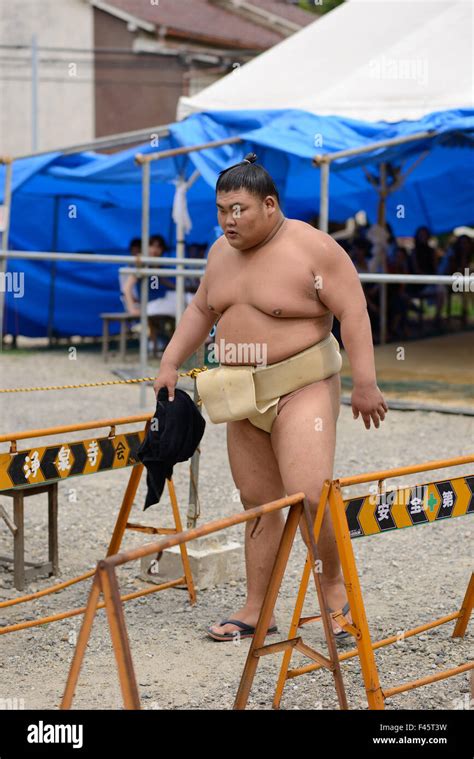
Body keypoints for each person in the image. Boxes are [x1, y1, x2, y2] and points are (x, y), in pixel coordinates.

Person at [153, 153, 387, 642]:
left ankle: (334, 593)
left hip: (302, 386)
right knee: (258, 502)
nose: (228, 220)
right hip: (241, 393)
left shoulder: (314, 249)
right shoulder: (220, 252)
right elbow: (201, 308)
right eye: (221, 209)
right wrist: (170, 361)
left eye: (238, 209)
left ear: (270, 204)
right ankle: (258, 607)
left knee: (310, 495)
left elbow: (355, 312)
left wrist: (365, 382)